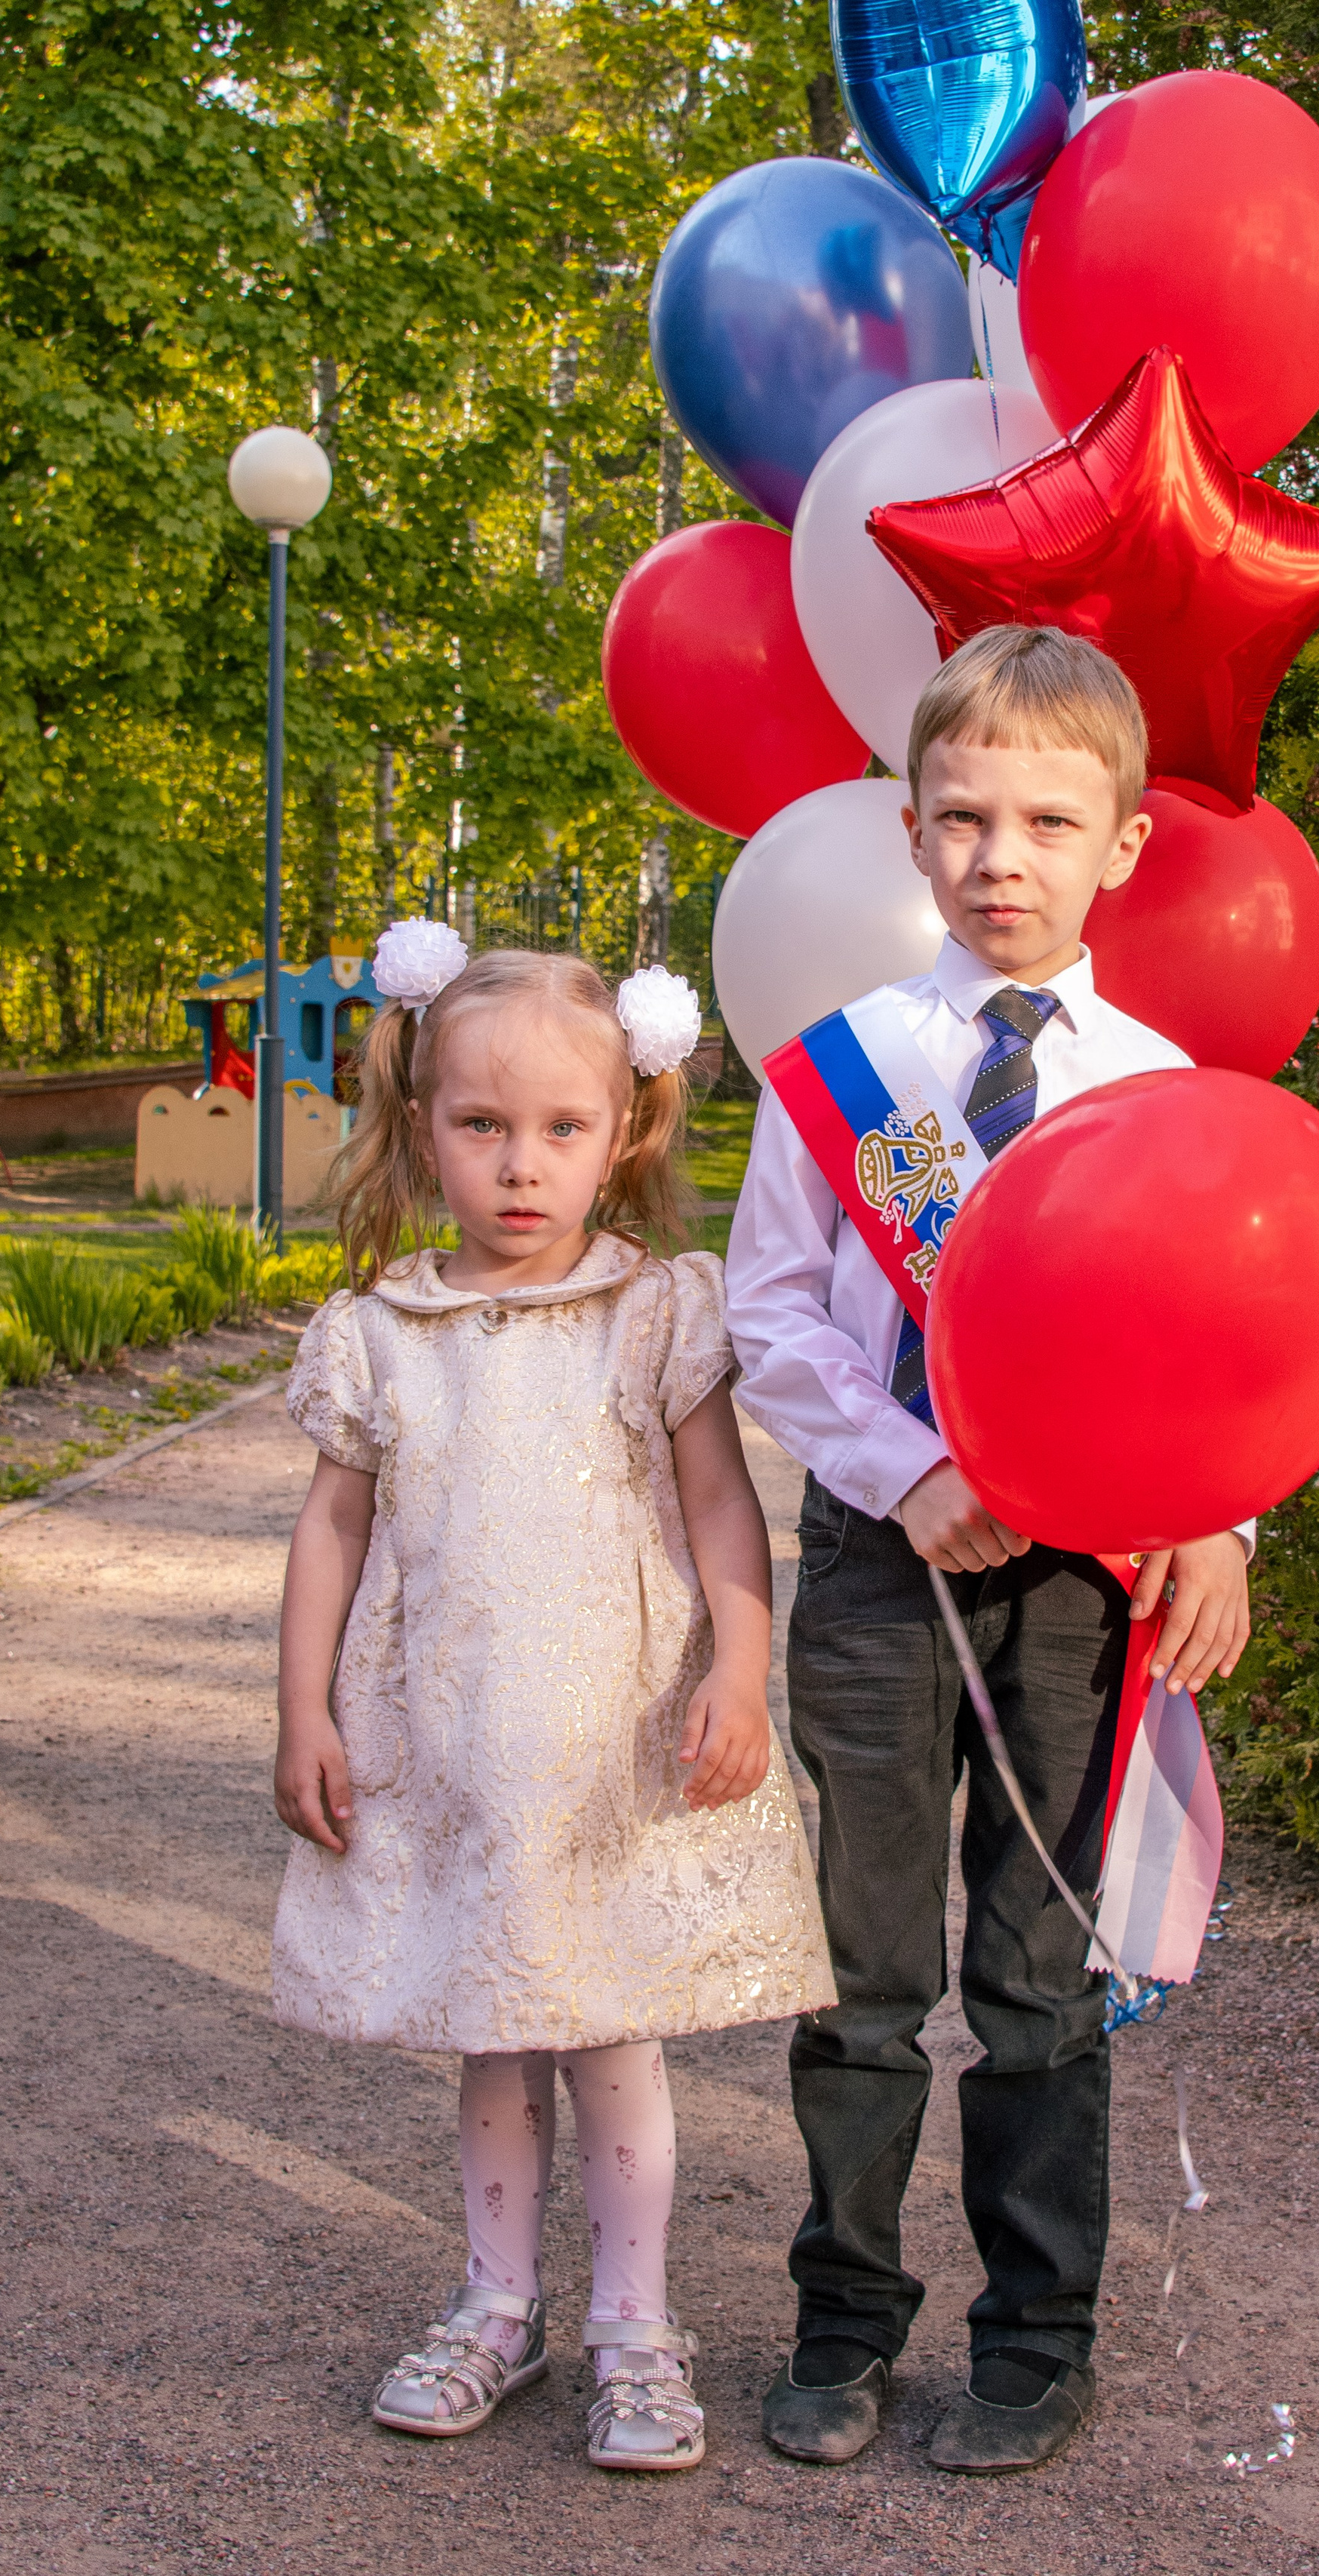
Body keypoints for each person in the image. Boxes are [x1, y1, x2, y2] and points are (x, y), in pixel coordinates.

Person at [726, 626, 1254, 2476]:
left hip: (1079, 1587)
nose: (1001, 855)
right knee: (862, 1976)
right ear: (909, 827)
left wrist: (1219, 1523)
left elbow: (1218, 1340)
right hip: (883, 1570)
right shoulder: (844, 1072)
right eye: (963, 817)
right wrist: (892, 1463)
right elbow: (772, 1319)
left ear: (1119, 844)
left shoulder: (1161, 1084)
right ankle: (841, 2325)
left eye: (1047, 818)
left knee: (1036, 1981)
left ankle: (1035, 2341)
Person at [270, 940, 833, 2474]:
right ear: (419, 1118)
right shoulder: (381, 1333)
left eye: (561, 1131)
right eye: (481, 1127)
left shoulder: (652, 1316)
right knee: (493, 2042)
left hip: (613, 1749)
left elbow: (719, 1507)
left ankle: (637, 2332)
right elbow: (333, 1527)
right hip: (455, 1754)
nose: (521, 1168)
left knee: (614, 2045)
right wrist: (301, 1710)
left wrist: (737, 1665)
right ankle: (493, 2309)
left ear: (625, 1129)